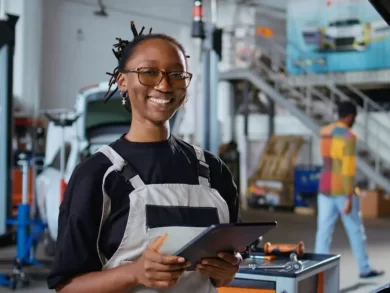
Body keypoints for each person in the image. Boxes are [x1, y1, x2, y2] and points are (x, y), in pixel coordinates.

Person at [47, 21, 241, 293]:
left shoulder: (213, 170)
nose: (164, 85)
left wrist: (228, 269)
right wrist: (134, 273)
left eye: (177, 74)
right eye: (149, 72)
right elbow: (66, 286)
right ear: (122, 81)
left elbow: (224, 268)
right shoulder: (97, 174)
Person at [315, 101, 384, 279]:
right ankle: (364, 268)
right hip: (341, 188)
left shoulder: (324, 132)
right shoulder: (348, 136)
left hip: (324, 187)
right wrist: (349, 197)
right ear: (350, 116)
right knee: (355, 229)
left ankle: (316, 272)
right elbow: (347, 169)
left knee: (323, 231)